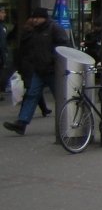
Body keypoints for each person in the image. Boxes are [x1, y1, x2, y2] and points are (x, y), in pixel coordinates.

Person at [4, 7, 70, 135]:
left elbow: (64, 46)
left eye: (37, 18)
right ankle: (21, 123)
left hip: (52, 70)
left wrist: (54, 61)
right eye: (33, 17)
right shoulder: (35, 30)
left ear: (44, 18)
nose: (34, 20)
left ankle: (68, 121)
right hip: (38, 69)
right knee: (31, 95)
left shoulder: (54, 28)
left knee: (60, 97)